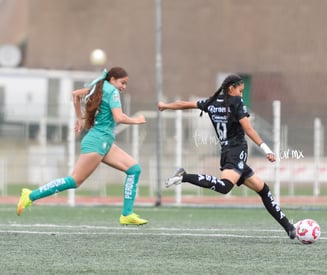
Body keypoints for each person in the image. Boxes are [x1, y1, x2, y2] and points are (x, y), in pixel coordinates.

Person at [157, 74, 296, 239]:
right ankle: (184, 176)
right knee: (225, 187)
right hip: (236, 151)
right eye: (240, 90)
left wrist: (166, 106)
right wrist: (267, 149)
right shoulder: (237, 103)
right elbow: (248, 129)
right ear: (231, 88)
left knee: (263, 189)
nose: (241, 94)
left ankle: (289, 228)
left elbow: (185, 104)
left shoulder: (212, 103)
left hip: (227, 152)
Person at [17, 67, 148, 226]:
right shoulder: (112, 91)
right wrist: (136, 120)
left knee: (134, 169)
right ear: (112, 79)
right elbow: (119, 117)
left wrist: (79, 118)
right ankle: (30, 196)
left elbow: (75, 95)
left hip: (103, 141)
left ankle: (127, 214)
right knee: (75, 181)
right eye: (122, 83)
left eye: (126, 84)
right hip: (98, 141)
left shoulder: (99, 87)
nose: (124, 87)